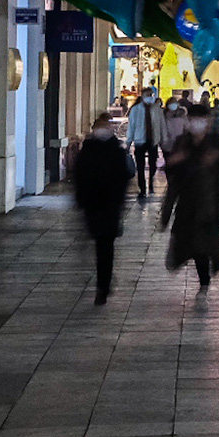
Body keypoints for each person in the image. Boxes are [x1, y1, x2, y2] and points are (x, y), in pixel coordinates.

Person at [161, 103, 219, 287]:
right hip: (188, 205)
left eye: (201, 120)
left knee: (211, 243)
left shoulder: (217, 142)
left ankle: (215, 262)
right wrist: (173, 162)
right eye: (194, 120)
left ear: (208, 122)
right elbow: (173, 178)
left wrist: (215, 161)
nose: (197, 124)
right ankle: (204, 281)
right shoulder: (182, 143)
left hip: (213, 203)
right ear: (188, 121)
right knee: (195, 246)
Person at [72, 114, 134, 304]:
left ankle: (103, 286)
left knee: (104, 246)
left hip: (108, 206)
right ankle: (103, 283)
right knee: (103, 246)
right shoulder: (89, 150)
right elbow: (79, 176)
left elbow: (124, 175)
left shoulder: (115, 150)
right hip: (96, 204)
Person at [125, 87, 167, 200]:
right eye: (148, 95)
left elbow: (162, 124)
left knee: (153, 163)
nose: (150, 97)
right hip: (139, 140)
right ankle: (142, 187)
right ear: (143, 96)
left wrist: (164, 138)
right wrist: (129, 141)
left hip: (152, 140)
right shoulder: (135, 110)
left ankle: (151, 181)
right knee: (140, 165)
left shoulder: (157, 109)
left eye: (151, 95)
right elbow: (131, 126)